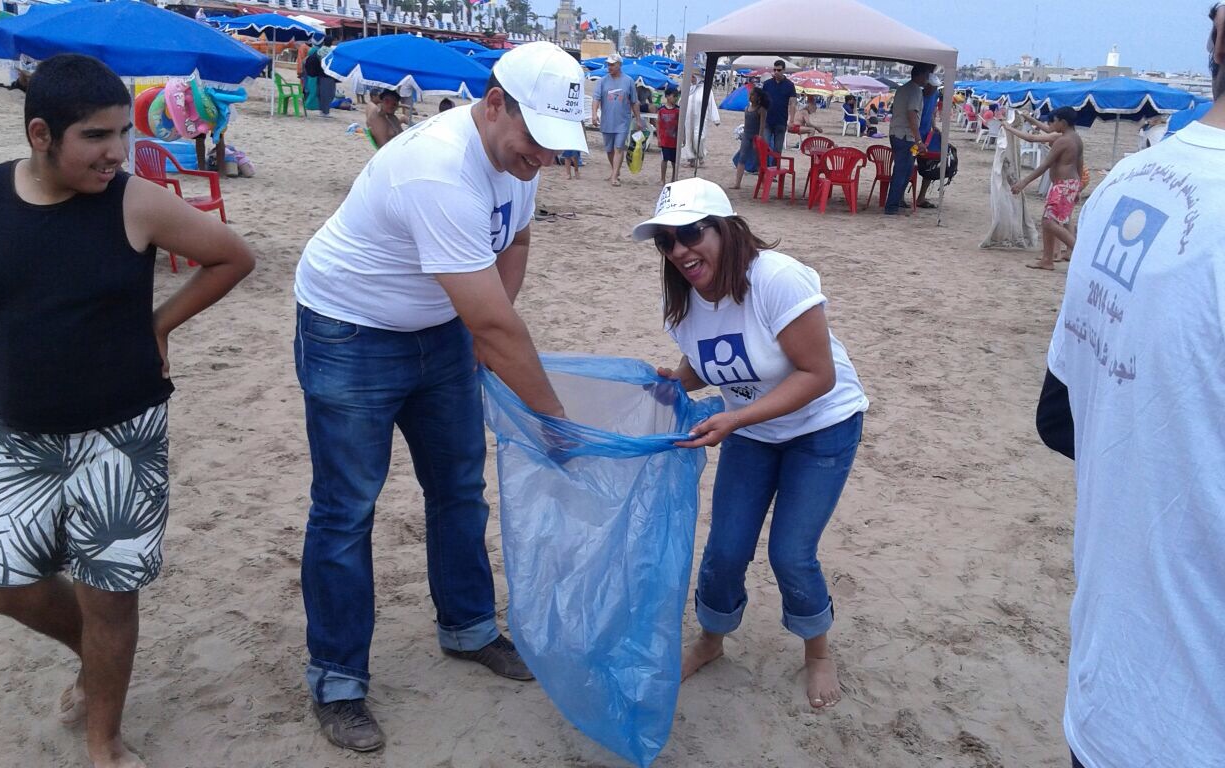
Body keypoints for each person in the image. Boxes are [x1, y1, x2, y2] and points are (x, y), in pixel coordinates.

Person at [292, 41, 584, 753]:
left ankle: (469, 628)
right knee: (347, 507)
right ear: (493, 106)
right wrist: (554, 420)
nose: (545, 156)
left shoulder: (521, 160)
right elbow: (492, 321)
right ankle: (336, 679)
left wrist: (486, 333)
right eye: (538, 138)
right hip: (349, 328)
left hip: (441, 324)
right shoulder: (438, 169)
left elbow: (513, 243)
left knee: (459, 485)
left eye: (557, 143)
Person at [0, 54, 255, 768]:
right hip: (17, 433)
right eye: (97, 137)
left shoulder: (133, 201)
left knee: (110, 598)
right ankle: (96, 656)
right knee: (6, 585)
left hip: (121, 435)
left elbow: (232, 257)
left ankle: (103, 739)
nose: (116, 152)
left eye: (121, 133)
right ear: (42, 134)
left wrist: (160, 323)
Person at [1037, 4, 1225, 766]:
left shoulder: (1129, 182)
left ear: (1219, 37)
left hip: (1109, 693)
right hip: (1220, 727)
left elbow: (1059, 415)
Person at [633, 177, 869, 710]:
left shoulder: (778, 280)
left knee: (790, 553)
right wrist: (674, 379)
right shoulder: (687, 300)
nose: (680, 251)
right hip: (751, 430)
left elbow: (817, 374)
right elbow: (710, 356)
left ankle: (816, 652)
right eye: (666, 242)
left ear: (727, 229)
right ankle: (711, 640)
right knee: (724, 551)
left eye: (691, 233)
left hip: (823, 428)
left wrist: (734, 420)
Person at [1008, 106, 1084, 270]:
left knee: (1049, 222)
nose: (1052, 124)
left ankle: (1081, 252)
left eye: (1054, 121)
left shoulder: (1064, 140)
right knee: (1049, 221)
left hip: (1063, 185)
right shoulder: (1075, 138)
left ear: (1062, 122)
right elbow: (1080, 164)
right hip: (1069, 184)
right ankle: (1047, 259)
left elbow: (1045, 164)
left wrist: (1024, 182)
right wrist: (1078, 187)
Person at [884, 63, 933, 215]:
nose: (927, 79)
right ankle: (892, 206)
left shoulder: (903, 89)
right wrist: (919, 141)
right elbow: (912, 115)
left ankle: (897, 201)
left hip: (897, 134)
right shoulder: (914, 91)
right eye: (926, 76)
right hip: (905, 136)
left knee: (905, 169)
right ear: (920, 75)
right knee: (902, 170)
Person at [591, 54, 644, 187]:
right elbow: (596, 98)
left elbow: (634, 102)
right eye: (608, 64)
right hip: (607, 120)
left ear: (619, 65)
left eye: (613, 64)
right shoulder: (602, 81)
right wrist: (594, 114)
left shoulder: (628, 81)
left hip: (623, 121)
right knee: (609, 150)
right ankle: (616, 171)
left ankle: (614, 176)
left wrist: (638, 119)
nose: (610, 67)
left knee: (619, 147)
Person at [680, 75, 722, 168]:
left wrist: (716, 119)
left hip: (700, 118)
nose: (691, 79)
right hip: (688, 119)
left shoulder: (706, 90)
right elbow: (681, 102)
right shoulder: (688, 89)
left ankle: (701, 157)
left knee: (699, 137)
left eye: (693, 77)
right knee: (688, 138)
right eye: (690, 77)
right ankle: (691, 159)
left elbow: (711, 103)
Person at [914, 75, 943, 209]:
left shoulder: (935, 94)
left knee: (930, 165)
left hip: (926, 137)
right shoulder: (917, 95)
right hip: (914, 137)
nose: (933, 89)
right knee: (909, 161)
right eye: (931, 86)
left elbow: (932, 111)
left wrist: (934, 125)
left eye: (935, 87)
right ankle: (901, 196)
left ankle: (921, 197)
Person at [731, 87, 768, 189]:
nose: (750, 97)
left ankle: (763, 184)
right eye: (750, 94)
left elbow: (762, 125)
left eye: (752, 95)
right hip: (747, 136)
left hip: (756, 137)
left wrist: (760, 138)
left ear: (758, 97)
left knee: (759, 161)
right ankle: (737, 183)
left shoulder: (761, 110)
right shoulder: (747, 108)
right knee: (742, 157)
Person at [759, 60, 797, 153]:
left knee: (777, 150)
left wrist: (791, 120)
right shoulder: (767, 84)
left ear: (784, 70)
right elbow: (762, 102)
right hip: (767, 120)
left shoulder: (790, 85)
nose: (776, 72)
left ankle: (776, 167)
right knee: (765, 147)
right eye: (774, 70)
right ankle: (765, 167)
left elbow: (793, 103)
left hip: (781, 121)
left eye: (779, 70)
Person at [656, 87, 680, 185]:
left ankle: (674, 177)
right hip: (665, 139)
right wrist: (658, 138)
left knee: (674, 161)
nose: (675, 98)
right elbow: (658, 123)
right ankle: (662, 178)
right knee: (664, 159)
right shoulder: (661, 110)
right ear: (667, 97)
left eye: (676, 97)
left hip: (674, 140)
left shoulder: (678, 110)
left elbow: (681, 124)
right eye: (673, 96)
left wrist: (682, 138)